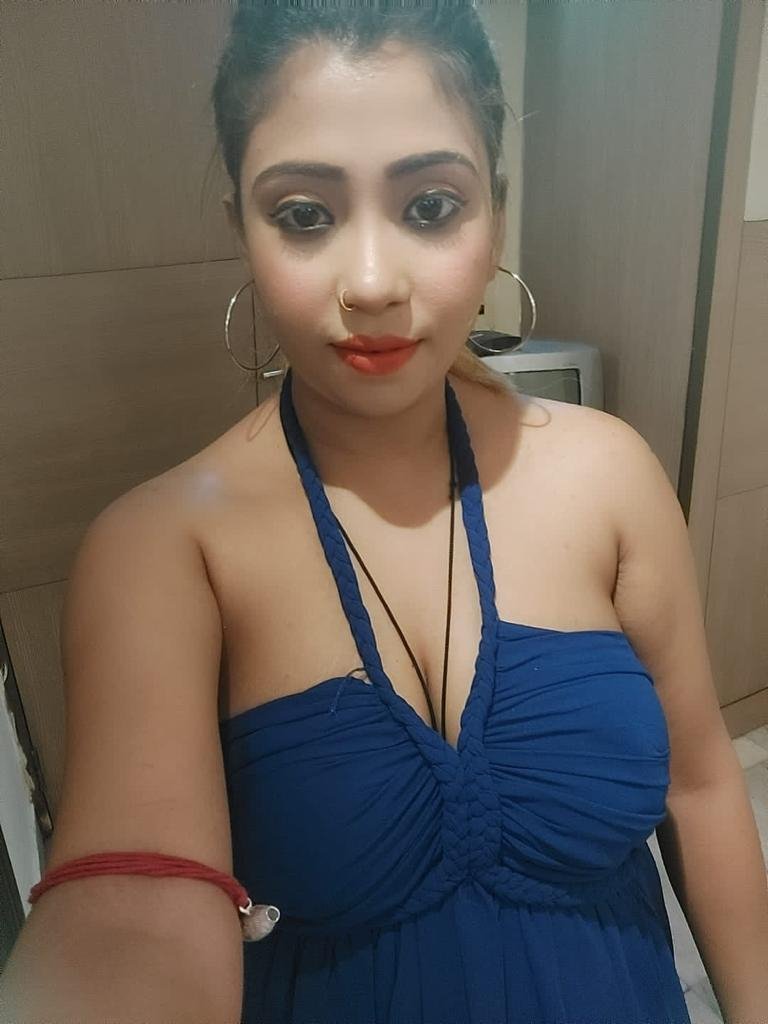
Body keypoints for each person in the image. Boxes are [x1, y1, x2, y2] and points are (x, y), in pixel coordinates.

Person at [3, 1, 768, 1022]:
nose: (370, 283)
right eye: (304, 216)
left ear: (494, 212)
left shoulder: (612, 474)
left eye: (430, 205)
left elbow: (703, 787)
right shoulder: (163, 550)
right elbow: (129, 915)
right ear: (240, 226)